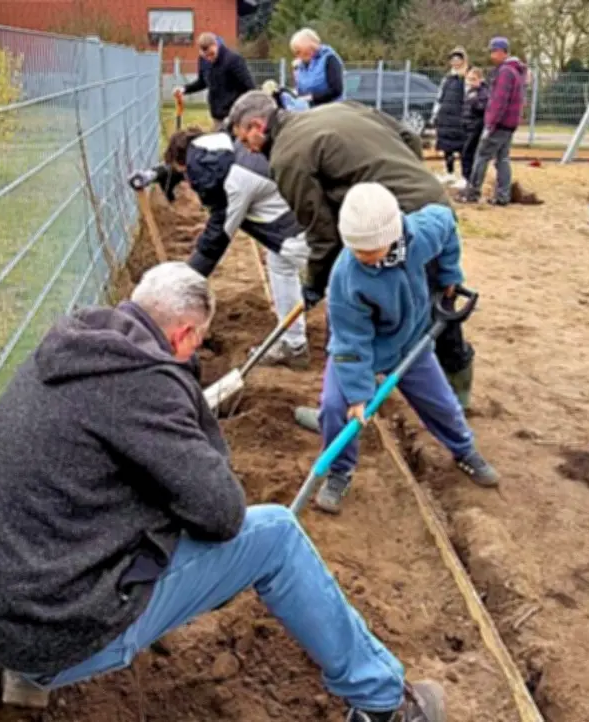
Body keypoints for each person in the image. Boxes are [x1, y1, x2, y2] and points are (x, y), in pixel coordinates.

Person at [0, 261, 447, 722]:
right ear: (183, 333)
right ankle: (385, 704)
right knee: (275, 533)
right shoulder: (143, 385)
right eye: (197, 344)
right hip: (52, 633)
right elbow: (223, 515)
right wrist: (181, 395)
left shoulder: (74, 350)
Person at [227, 91, 477, 411]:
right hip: (433, 203)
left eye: (243, 137)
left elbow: (322, 233)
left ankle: (340, 405)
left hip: (390, 223)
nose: (246, 148)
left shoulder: (286, 158)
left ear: (257, 126)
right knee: (439, 300)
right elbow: (408, 137)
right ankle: (459, 390)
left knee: (347, 309)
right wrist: (404, 178)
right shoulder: (336, 109)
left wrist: (314, 284)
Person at [313, 183, 498, 512]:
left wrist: (450, 274)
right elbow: (350, 340)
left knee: (443, 405)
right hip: (361, 352)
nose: (364, 258)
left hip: (411, 342)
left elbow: (446, 220)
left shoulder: (420, 236)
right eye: (357, 250)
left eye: (372, 251)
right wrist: (357, 395)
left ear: (393, 234)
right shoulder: (346, 276)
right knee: (334, 408)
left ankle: (464, 450)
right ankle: (339, 472)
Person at [129, 129, 311, 368]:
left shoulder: (231, 185)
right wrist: (162, 173)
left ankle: (353, 357)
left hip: (303, 232)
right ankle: (294, 344)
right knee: (282, 263)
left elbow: (215, 241)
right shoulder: (223, 151)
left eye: (188, 176)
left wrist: (179, 286)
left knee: (339, 283)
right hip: (297, 218)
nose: (190, 183)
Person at [458, 37, 527, 206]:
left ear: (502, 52)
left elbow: (498, 101)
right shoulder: (516, 71)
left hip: (499, 124)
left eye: (493, 51)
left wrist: (490, 124)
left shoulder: (505, 72)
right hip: (509, 124)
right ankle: (503, 196)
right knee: (502, 159)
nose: (491, 55)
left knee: (481, 156)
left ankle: (472, 193)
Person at [174, 32, 255, 131]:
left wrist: (242, 111)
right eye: (206, 56)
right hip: (217, 116)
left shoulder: (234, 60)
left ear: (216, 45)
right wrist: (184, 89)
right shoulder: (203, 61)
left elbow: (249, 87)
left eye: (211, 54)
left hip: (235, 117)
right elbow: (202, 82)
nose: (209, 58)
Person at [432, 47, 468, 184]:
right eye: (453, 59)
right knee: (447, 148)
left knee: (463, 149)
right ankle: (449, 172)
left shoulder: (466, 77)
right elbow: (439, 97)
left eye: (458, 59)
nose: (455, 62)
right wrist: (435, 114)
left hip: (460, 119)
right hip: (445, 118)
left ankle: (465, 177)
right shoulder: (446, 78)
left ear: (463, 60)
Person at [290, 28, 345, 107]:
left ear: (309, 47)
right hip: (308, 110)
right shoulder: (299, 66)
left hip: (331, 109)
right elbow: (300, 92)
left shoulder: (329, 59)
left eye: (298, 51)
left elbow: (336, 90)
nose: (297, 55)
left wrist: (311, 98)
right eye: (295, 52)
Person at [461, 67, 489, 183]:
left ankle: (469, 179)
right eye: (468, 79)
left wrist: (474, 101)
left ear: (480, 79)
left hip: (476, 127)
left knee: (469, 153)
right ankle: (467, 178)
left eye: (473, 79)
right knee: (466, 153)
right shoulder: (470, 92)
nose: (470, 82)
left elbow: (482, 108)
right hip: (467, 126)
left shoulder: (483, 92)